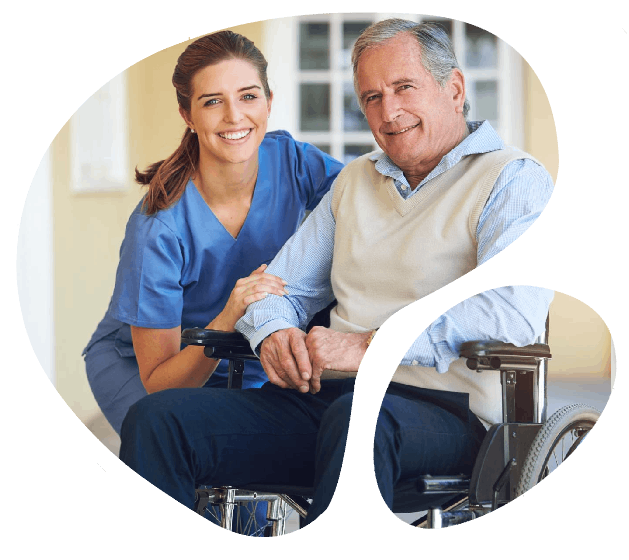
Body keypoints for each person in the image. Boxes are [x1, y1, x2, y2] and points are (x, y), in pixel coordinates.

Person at [119, 20, 555, 526]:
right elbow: (276, 287)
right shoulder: (353, 182)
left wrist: (370, 345)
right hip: (329, 401)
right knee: (157, 420)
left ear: (454, 89)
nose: (388, 112)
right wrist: (275, 332)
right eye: (371, 96)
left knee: (356, 421)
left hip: (449, 411)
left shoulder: (512, 179)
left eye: (404, 88)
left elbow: (510, 312)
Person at [82, 30, 342, 532]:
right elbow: (158, 381)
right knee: (180, 469)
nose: (234, 117)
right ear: (188, 115)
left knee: (254, 500)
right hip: (147, 364)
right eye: (212, 102)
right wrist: (227, 318)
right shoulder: (158, 227)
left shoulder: (295, 162)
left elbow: (366, 201)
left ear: (269, 101)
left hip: (244, 354)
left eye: (248, 96)